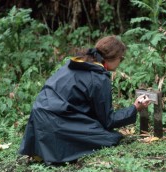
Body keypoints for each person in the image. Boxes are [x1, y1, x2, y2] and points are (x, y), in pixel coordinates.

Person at [18, 35, 151, 165]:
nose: (120, 63)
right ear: (113, 58)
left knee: (103, 131)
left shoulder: (76, 63)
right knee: (111, 137)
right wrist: (135, 108)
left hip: (39, 115)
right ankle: (57, 152)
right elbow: (108, 121)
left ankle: (40, 150)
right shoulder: (99, 77)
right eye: (121, 59)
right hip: (57, 121)